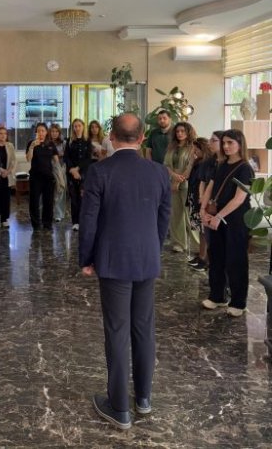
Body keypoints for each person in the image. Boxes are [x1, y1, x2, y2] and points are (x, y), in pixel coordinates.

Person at [79, 114, 171, 430]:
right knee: (144, 329)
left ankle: (119, 408)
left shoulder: (100, 171)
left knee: (117, 331)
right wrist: (153, 250)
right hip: (146, 259)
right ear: (142, 137)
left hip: (113, 260)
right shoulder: (159, 172)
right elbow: (163, 219)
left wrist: (86, 258)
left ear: (111, 137)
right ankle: (143, 399)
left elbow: (88, 220)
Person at [200, 129, 254, 317]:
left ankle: (238, 302)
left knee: (236, 260)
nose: (226, 146)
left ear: (240, 143)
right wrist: (203, 209)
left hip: (235, 219)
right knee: (216, 257)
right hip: (216, 216)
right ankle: (217, 296)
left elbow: (239, 199)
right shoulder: (221, 164)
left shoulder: (245, 168)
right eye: (224, 143)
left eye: (230, 142)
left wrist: (218, 216)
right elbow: (210, 187)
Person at [163, 121, 197, 253]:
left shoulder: (193, 147)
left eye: (182, 131)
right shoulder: (171, 147)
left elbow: (190, 166)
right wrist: (173, 177)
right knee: (175, 215)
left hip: (187, 183)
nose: (179, 133)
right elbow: (166, 165)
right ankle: (179, 243)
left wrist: (178, 181)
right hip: (172, 182)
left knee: (190, 215)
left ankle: (197, 245)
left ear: (188, 132)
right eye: (177, 131)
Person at [26, 122, 59, 232]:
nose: (41, 133)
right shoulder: (31, 143)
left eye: (43, 131)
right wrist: (32, 146)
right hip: (35, 177)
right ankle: (36, 225)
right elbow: (28, 159)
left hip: (48, 178)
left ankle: (47, 224)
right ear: (36, 132)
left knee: (48, 202)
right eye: (39, 131)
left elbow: (56, 160)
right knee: (34, 202)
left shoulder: (51, 144)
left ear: (46, 132)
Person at [186, 137, 212, 272]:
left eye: (196, 149)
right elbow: (188, 178)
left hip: (201, 200)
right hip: (194, 198)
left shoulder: (208, 164)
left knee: (204, 231)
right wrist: (191, 161)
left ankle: (204, 258)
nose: (194, 151)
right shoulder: (197, 162)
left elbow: (205, 183)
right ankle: (201, 256)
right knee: (200, 231)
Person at [64, 118, 92, 231]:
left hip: (84, 173)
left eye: (79, 125)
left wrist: (78, 169)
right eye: (75, 126)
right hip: (71, 173)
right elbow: (66, 157)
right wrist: (72, 170)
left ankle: (83, 221)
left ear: (83, 127)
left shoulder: (87, 141)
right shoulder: (69, 141)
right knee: (74, 198)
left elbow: (88, 158)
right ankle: (75, 222)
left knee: (83, 197)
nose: (77, 128)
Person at [0, 127, 16, 227]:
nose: (3, 135)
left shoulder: (10, 145)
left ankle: (4, 219)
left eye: (5, 134)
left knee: (6, 198)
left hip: (7, 176)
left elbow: (14, 161)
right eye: (1, 133)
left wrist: (8, 171)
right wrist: (0, 170)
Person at [49, 123, 67, 222]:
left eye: (56, 131)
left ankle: (58, 214)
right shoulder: (47, 142)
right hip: (49, 168)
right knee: (49, 191)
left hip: (61, 167)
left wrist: (59, 155)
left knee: (60, 190)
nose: (54, 133)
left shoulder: (63, 143)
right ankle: (48, 212)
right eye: (52, 131)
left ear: (59, 133)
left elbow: (66, 155)